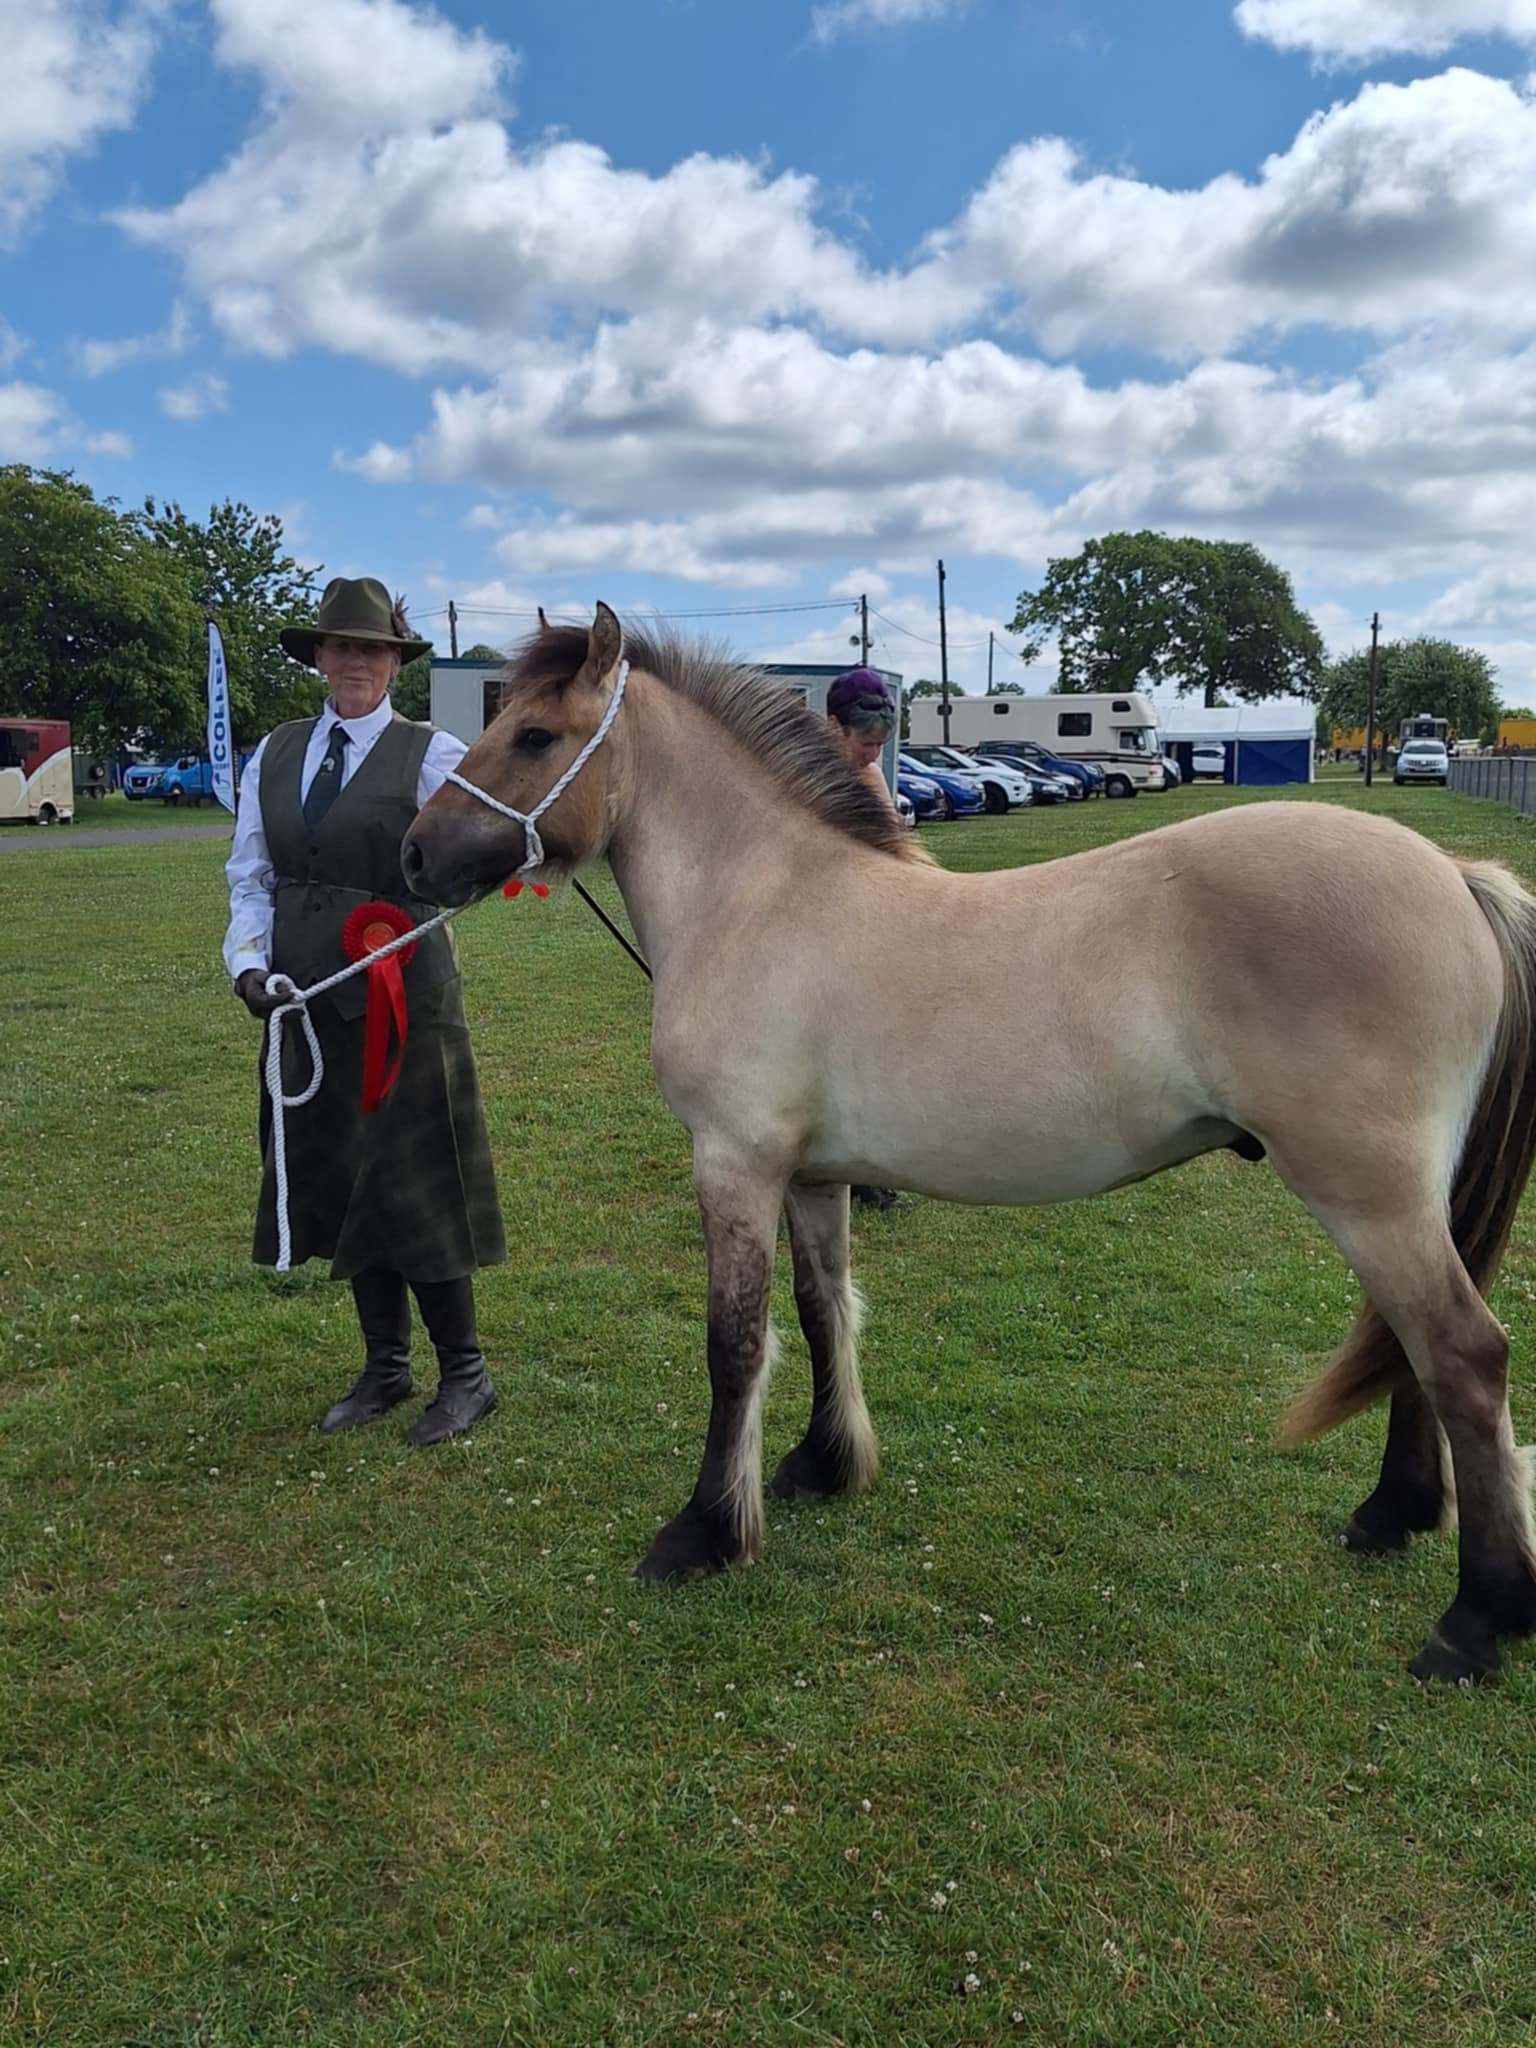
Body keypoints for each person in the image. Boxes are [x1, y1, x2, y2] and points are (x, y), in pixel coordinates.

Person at [224, 576, 507, 1444]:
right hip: (305, 1004)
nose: (356, 662)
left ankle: (467, 1374)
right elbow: (252, 878)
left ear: (394, 662)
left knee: (413, 1177)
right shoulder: (273, 754)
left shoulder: (435, 754)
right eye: (341, 646)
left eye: (373, 649)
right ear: (318, 658)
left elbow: (489, 843)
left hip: (403, 998)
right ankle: (385, 1366)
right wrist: (248, 967)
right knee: (347, 1178)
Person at [825, 667, 912, 1216]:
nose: (872, 755)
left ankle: (864, 1172)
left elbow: (891, 847)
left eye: (881, 745)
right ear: (835, 728)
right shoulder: (794, 766)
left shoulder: (869, 775)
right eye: (865, 743)